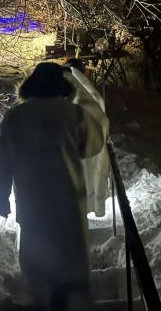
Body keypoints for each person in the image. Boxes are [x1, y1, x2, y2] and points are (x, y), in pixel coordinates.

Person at [0, 62, 107, 311]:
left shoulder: (16, 116)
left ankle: (42, 295)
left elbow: (1, 158)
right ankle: (65, 296)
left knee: (37, 245)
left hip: (32, 199)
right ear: (63, 86)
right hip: (68, 197)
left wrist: (1, 196)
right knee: (68, 247)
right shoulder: (74, 115)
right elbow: (91, 146)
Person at [62, 58, 110, 217]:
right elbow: (101, 117)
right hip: (90, 147)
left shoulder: (60, 89)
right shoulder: (87, 95)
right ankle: (91, 203)